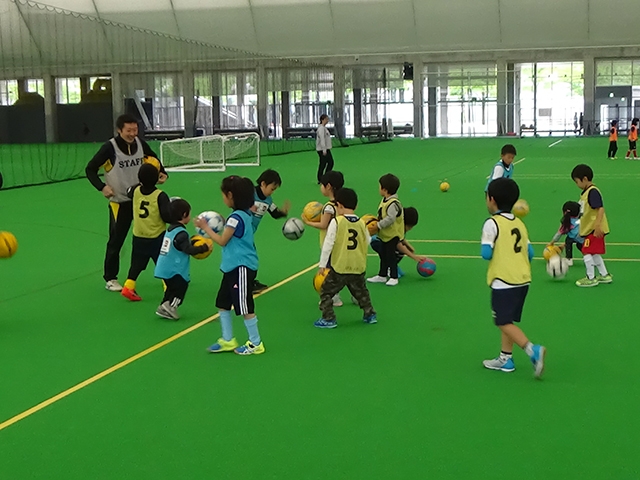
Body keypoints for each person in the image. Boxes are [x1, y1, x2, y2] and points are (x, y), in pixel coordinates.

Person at [86, 114, 168, 292]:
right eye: (129, 130)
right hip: (120, 202)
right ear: (119, 130)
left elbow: (154, 159)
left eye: (135, 130)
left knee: (153, 238)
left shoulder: (140, 144)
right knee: (116, 240)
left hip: (142, 200)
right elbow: (90, 169)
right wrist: (102, 187)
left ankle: (165, 275)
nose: (132, 134)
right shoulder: (110, 148)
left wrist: (162, 172)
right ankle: (110, 278)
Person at [481, 177, 546, 378]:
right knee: (508, 320)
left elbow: (486, 253)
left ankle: (531, 349)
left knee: (502, 321)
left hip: (503, 280)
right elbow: (531, 252)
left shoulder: (492, 223)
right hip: (523, 279)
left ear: (491, 199)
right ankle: (505, 358)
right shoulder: (519, 223)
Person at [199, 176, 265, 356]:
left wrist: (206, 227)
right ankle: (228, 339)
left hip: (241, 267)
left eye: (223, 194)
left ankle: (255, 342)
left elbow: (222, 240)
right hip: (231, 267)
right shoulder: (244, 214)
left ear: (230, 195)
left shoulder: (236, 218)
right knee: (223, 303)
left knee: (244, 306)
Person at [314, 188, 376, 329]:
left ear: (339, 205)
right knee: (361, 292)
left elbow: (328, 244)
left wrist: (322, 264)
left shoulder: (337, 221)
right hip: (358, 266)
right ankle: (370, 314)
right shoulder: (361, 223)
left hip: (340, 266)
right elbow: (368, 241)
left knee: (326, 292)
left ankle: (329, 318)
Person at [121, 164, 172, 301]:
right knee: (162, 263)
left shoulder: (135, 191)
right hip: (156, 236)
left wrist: (142, 181)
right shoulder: (160, 196)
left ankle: (128, 286)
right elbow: (166, 216)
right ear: (156, 178)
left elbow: (128, 190)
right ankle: (168, 287)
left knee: (136, 264)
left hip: (139, 236)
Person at [154, 198, 211, 320]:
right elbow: (188, 250)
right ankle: (171, 306)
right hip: (175, 269)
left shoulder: (170, 229)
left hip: (164, 267)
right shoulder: (182, 233)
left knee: (171, 288)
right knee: (181, 288)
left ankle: (163, 306)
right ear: (184, 215)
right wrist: (203, 247)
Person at [303, 170, 345, 306]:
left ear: (328, 186)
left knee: (328, 272)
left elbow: (323, 224)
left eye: (322, 184)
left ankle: (333, 297)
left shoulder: (328, 207)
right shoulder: (341, 204)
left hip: (330, 243)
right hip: (341, 242)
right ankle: (356, 295)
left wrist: (307, 222)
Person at [571, 164, 612, 287]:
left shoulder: (592, 192)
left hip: (594, 229)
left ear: (584, 179)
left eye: (577, 181)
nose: (577, 184)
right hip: (589, 228)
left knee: (586, 251)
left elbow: (600, 209)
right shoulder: (585, 193)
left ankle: (591, 277)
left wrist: (597, 225)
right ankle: (604, 275)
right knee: (594, 252)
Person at [251, 169, 290, 293]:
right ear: (263, 184)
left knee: (251, 258)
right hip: (240, 231)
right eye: (272, 188)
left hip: (249, 234)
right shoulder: (249, 193)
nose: (272, 192)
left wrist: (283, 212)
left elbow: (274, 213)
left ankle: (249, 281)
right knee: (250, 258)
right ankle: (248, 283)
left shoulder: (268, 200)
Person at [367, 174, 404, 286]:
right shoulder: (385, 200)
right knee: (383, 255)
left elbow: (391, 218)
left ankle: (394, 276)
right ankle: (382, 275)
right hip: (385, 234)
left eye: (380, 186)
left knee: (390, 255)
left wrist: (378, 225)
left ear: (385, 189)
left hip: (393, 235)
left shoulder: (393, 203)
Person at [370, 207, 426, 277]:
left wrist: (409, 247)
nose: (410, 229)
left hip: (385, 242)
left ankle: (391, 266)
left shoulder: (399, 226)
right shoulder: (395, 227)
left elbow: (400, 239)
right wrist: (414, 257)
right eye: (409, 226)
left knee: (401, 249)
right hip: (377, 242)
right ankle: (389, 268)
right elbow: (398, 245)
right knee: (396, 251)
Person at [547, 201, 583, 266]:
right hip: (585, 237)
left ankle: (569, 259)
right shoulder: (581, 218)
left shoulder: (567, 222)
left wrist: (551, 242)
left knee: (568, 240)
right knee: (580, 246)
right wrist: (564, 245)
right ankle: (590, 257)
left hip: (576, 237)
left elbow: (559, 233)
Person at [316, 114, 334, 183]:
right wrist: (324, 149)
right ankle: (322, 178)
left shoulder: (323, 128)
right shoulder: (321, 129)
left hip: (324, 149)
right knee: (329, 163)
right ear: (322, 120)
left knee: (324, 163)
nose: (327, 121)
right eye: (326, 119)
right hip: (323, 149)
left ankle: (323, 178)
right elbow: (322, 139)